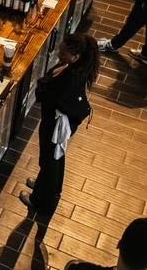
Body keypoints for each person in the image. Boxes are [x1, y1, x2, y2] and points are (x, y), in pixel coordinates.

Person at [19, 32, 99, 215]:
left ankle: (39, 199)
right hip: (59, 122)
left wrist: (44, 84)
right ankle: (46, 186)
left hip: (55, 124)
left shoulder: (70, 77)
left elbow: (47, 93)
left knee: (50, 160)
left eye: (63, 52)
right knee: (54, 157)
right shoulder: (74, 68)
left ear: (75, 56)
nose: (58, 54)